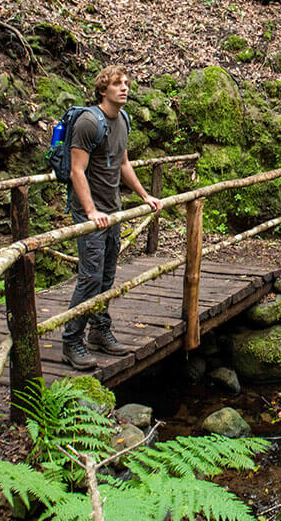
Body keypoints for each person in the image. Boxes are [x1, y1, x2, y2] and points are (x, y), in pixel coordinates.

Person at [62, 65, 163, 370]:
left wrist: (145, 195)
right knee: (90, 277)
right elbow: (76, 171)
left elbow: (123, 164)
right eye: (117, 84)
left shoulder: (123, 120)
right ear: (103, 90)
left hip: (113, 209)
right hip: (90, 212)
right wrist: (91, 211)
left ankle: (99, 331)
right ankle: (71, 340)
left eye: (126, 83)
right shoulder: (89, 122)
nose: (124, 88)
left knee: (106, 276)